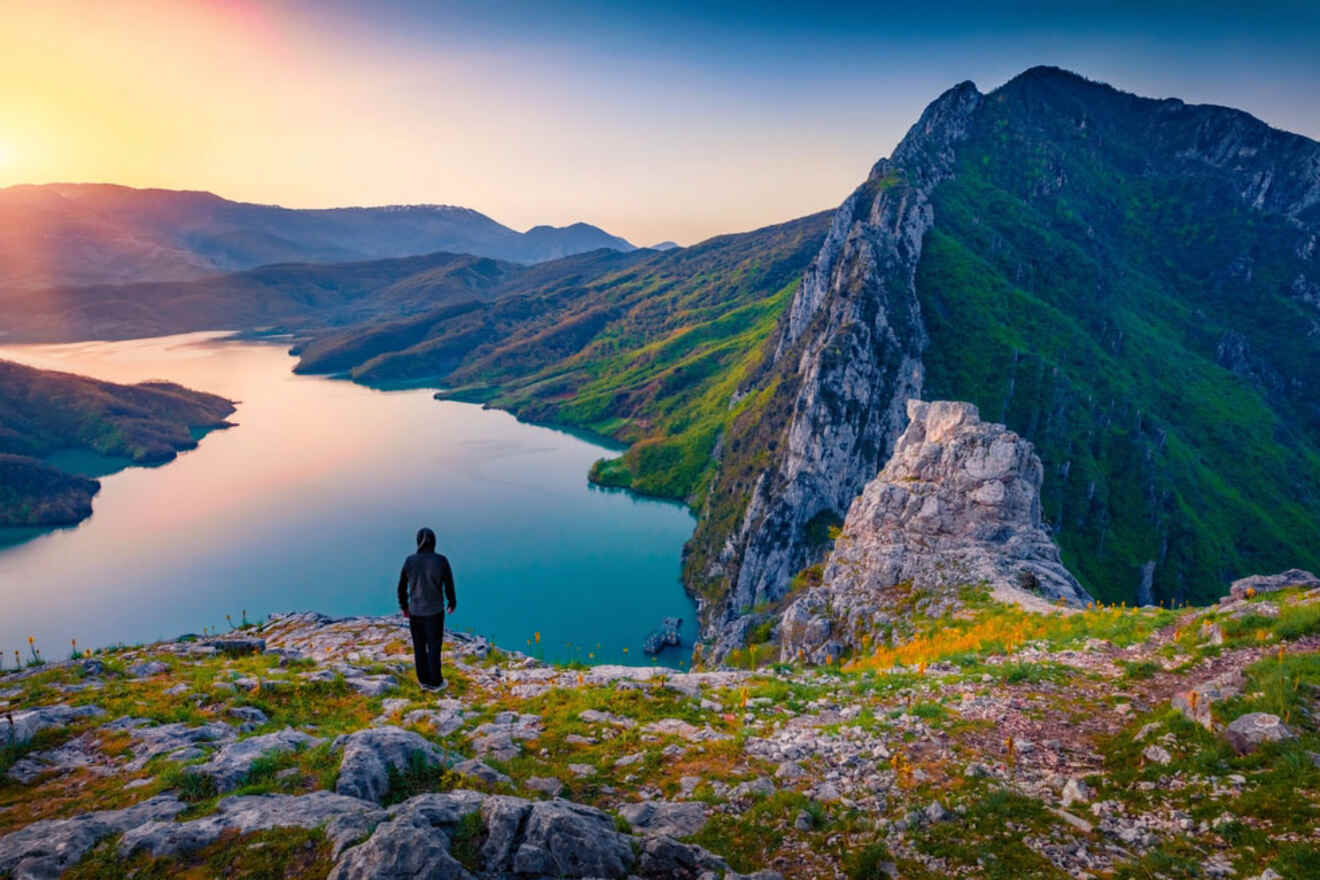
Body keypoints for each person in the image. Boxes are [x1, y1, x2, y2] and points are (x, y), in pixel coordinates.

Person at [397, 527, 456, 691]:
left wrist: (404, 607)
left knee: (419, 646)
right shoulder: (441, 560)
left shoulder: (409, 561)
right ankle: (436, 681)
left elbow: (401, 587)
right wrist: (452, 602)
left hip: (415, 612)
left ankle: (423, 680)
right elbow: (448, 584)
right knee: (434, 646)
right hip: (435, 612)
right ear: (434, 542)